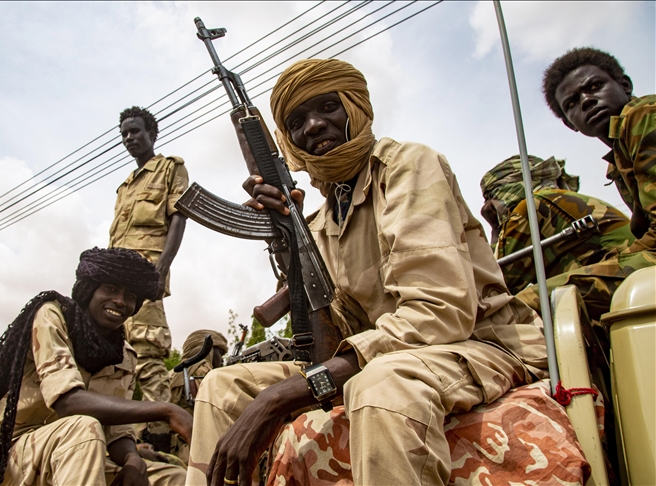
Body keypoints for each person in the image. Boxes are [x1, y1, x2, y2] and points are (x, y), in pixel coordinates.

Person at [185, 59, 548, 486]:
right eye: (296, 122)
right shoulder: (321, 222)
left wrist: (281, 396)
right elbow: (333, 335)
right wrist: (287, 237)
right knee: (221, 388)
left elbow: (439, 312)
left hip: (476, 343)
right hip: (386, 354)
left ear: (355, 108)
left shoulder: (408, 166)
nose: (313, 125)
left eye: (327, 107)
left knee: (379, 385)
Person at [0, 247, 190, 486]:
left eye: (130, 296)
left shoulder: (125, 355)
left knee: (174, 478)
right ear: (89, 290)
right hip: (2, 456)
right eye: (110, 289)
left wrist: (132, 458)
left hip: (74, 455)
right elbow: (68, 402)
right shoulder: (53, 315)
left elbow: (117, 432)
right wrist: (166, 410)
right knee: (84, 427)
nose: (120, 301)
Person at [110, 106, 189, 451]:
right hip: (115, 279)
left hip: (145, 274)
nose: (129, 138)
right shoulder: (124, 186)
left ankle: (162, 433)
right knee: (115, 357)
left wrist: (160, 270)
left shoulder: (170, 168)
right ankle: (123, 434)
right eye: (124, 134)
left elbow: (179, 218)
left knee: (146, 351)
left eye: (135, 131)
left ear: (151, 134)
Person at [481, 154, 637, 322]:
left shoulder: (532, 206)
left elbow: (495, 283)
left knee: (509, 309)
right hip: (629, 275)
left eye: (490, 197)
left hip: (623, 277)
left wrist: (495, 229)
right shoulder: (558, 198)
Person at [542, 47, 654, 256]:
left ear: (625, 85)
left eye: (595, 86)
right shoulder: (617, 162)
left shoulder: (645, 114)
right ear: (570, 124)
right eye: (572, 103)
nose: (586, 100)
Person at [168, 330, 228, 464]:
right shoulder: (202, 370)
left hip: (171, 444)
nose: (222, 359)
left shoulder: (174, 372)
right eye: (220, 353)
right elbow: (220, 410)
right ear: (209, 350)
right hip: (190, 448)